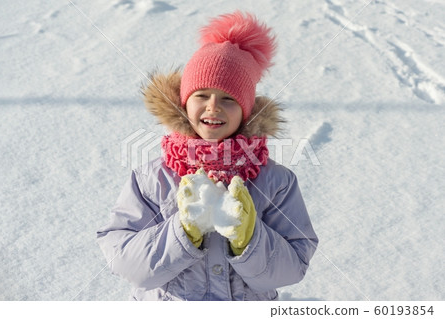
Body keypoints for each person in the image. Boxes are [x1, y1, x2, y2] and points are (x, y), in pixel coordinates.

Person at [97, 11, 318, 301]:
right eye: (202, 95)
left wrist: (249, 239)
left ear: (246, 111)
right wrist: (181, 233)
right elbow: (123, 260)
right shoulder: (153, 178)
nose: (213, 107)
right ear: (184, 103)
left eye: (228, 99)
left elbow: (295, 265)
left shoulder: (276, 181)